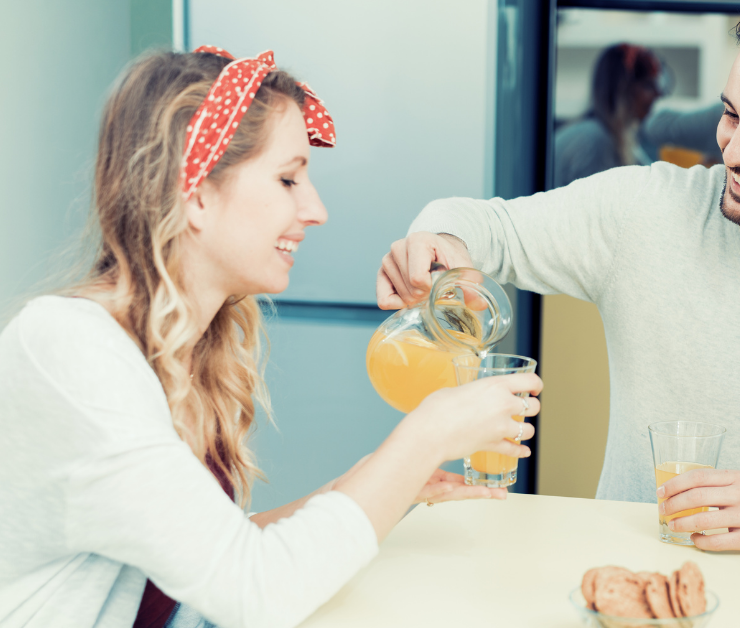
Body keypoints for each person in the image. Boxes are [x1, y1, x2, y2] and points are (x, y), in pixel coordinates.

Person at [377, 0, 740, 554]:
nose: (735, 150)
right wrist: (439, 243)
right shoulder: (645, 209)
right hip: (623, 571)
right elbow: (486, 227)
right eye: (731, 115)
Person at [0, 47, 540, 628]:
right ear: (197, 193)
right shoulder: (68, 351)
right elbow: (256, 592)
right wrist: (427, 433)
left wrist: (374, 482)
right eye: (288, 178)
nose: (316, 209)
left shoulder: (185, 349)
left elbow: (217, 559)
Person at [554, 43, 665, 187]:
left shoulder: (615, 141)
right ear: (623, 90)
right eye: (648, 85)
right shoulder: (593, 141)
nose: (658, 94)